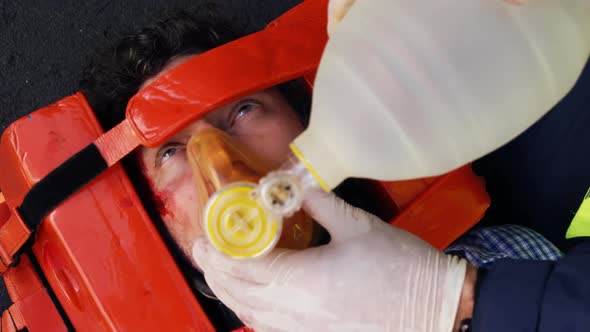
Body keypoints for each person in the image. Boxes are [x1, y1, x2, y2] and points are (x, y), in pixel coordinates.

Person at [79, 7, 568, 331]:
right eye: (172, 152)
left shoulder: (492, 261)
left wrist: (451, 303)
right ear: (153, 224)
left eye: (244, 110)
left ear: (307, 120)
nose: (222, 162)